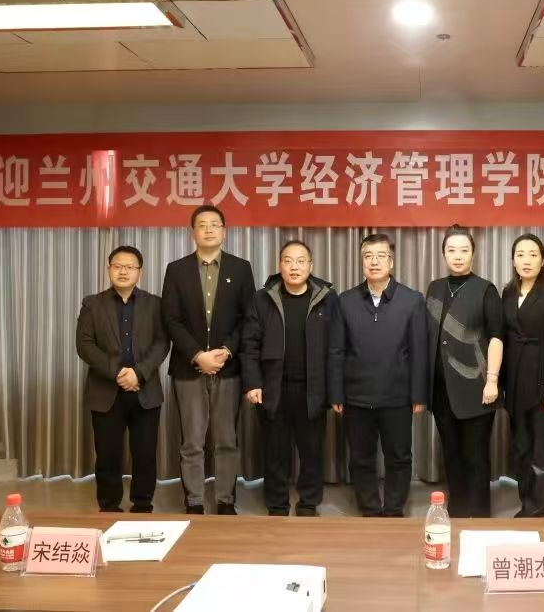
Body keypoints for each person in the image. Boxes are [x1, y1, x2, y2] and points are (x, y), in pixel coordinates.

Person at [161, 205, 255, 515]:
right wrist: (198, 355)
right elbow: (170, 319)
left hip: (229, 369)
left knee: (227, 439)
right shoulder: (176, 270)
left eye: (215, 224)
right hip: (189, 369)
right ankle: (195, 501)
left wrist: (226, 351)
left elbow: (248, 317)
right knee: (192, 441)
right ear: (193, 232)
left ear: (224, 231)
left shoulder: (241, 269)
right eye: (202, 224)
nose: (209, 229)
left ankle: (226, 500)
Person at [328, 233, 428, 517]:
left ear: (391, 261)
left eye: (380, 256)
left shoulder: (412, 300)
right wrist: (336, 393)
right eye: (368, 256)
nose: (374, 262)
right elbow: (336, 350)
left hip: (397, 396)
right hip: (356, 397)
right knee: (361, 458)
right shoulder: (346, 301)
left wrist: (418, 395)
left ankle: (394, 510)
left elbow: (419, 351)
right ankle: (370, 510)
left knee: (399, 457)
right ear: (361, 262)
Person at [241, 240, 338, 517]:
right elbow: (249, 344)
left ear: (311, 265)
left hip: (313, 389)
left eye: (300, 261)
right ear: (279, 265)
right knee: (275, 451)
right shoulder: (262, 299)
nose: (294, 267)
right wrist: (253, 382)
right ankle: (277, 504)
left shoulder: (328, 298)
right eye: (288, 260)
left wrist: (335, 391)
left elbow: (336, 347)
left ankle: (308, 503)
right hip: (274, 389)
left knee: (312, 452)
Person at [76, 245, 169, 513]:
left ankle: (142, 504)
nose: (123, 271)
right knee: (107, 455)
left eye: (130, 267)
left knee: (145, 453)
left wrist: (138, 373)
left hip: (145, 390)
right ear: (109, 269)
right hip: (105, 390)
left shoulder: (155, 304)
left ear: (140, 272)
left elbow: (162, 343)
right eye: (117, 266)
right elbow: (85, 345)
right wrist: (118, 372)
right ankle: (109, 506)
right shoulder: (92, 304)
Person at [426, 224, 503, 518]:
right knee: (451, 456)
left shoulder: (485, 289)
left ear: (473, 253)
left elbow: (496, 337)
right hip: (441, 390)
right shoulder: (435, 288)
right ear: (443, 254)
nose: (457, 256)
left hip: (477, 388)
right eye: (451, 250)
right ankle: (457, 514)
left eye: (464, 250)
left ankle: (480, 517)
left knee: (475, 457)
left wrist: (492, 381)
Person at [501, 233, 544, 517]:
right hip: (515, 382)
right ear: (513, 261)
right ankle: (526, 504)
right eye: (520, 255)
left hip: (542, 382)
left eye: (532, 254)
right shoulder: (507, 293)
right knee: (521, 447)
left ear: (543, 260)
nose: (526, 260)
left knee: (540, 448)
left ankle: (541, 510)